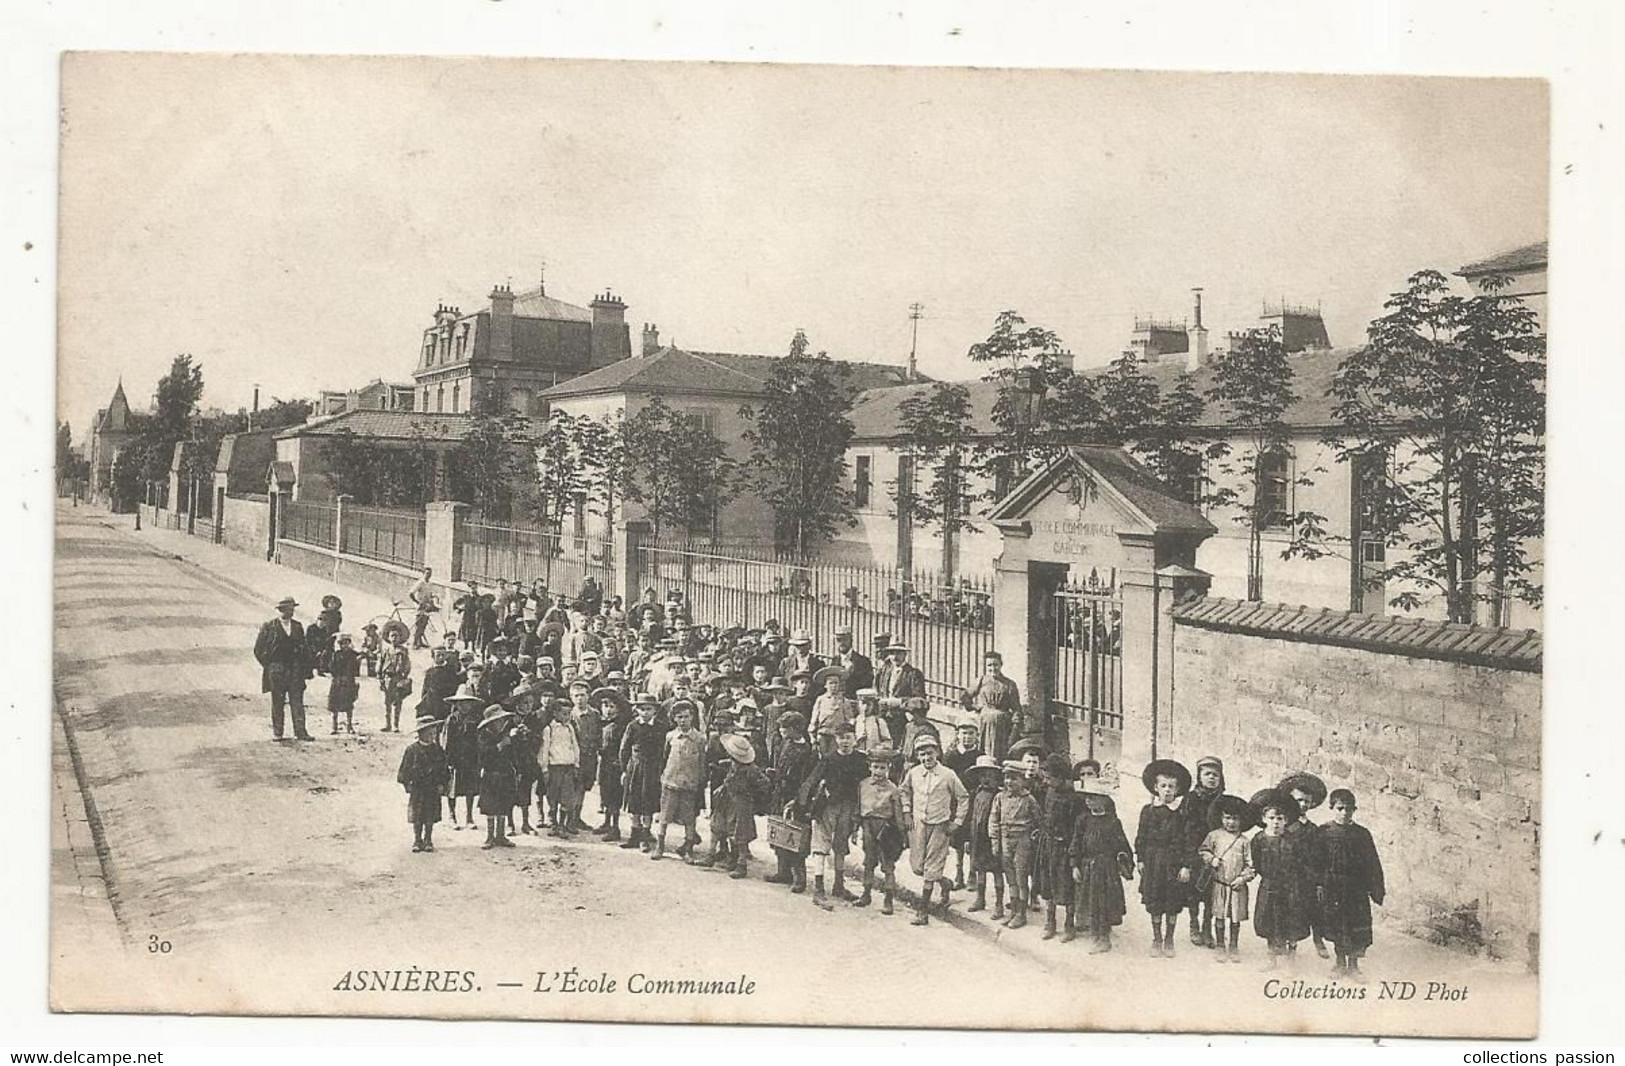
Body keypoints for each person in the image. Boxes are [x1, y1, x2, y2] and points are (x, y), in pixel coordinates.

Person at [899, 733, 970, 927]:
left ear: (937, 752)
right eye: (921, 754)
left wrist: (957, 822)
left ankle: (923, 910)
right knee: (918, 867)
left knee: (931, 867)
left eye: (929, 753)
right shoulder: (914, 773)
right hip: (919, 824)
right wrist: (906, 811)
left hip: (940, 826)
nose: (926, 758)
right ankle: (944, 883)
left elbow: (963, 798)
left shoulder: (948, 774)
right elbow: (904, 791)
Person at [799, 723, 868, 910]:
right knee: (821, 846)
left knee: (840, 845)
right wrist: (803, 804)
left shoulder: (861, 761)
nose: (845, 741)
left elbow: (866, 786)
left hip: (849, 807)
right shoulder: (828, 759)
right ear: (836, 740)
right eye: (841, 737)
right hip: (827, 807)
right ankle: (819, 889)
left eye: (848, 737)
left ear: (855, 739)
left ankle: (839, 885)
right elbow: (811, 781)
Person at [1318, 789, 1385, 980]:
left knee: (1356, 926)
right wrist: (1319, 884)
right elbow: (1316, 860)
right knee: (1337, 925)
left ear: (1354, 810)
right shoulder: (1324, 832)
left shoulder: (1362, 834)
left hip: (1356, 889)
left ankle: (1354, 966)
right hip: (1333, 888)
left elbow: (1372, 862)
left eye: (1349, 809)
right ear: (1332, 808)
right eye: (1340, 808)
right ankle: (1340, 963)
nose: (1344, 813)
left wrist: (1376, 888)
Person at [1136, 758, 1197, 958]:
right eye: (1163, 786)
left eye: (1172, 786)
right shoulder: (1148, 811)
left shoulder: (1182, 813)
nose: (1168, 790)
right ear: (1155, 787)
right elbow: (1141, 837)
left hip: (1173, 863)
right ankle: (1156, 937)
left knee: (1172, 901)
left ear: (1178, 789)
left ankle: (1169, 938)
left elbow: (1189, 841)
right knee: (1155, 900)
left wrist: (1186, 866)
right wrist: (1141, 859)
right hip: (1153, 862)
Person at [1250, 789, 1314, 967]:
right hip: (1269, 886)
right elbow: (1255, 862)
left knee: (1291, 923)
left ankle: (1290, 961)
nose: (1276, 822)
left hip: (1290, 887)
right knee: (1269, 921)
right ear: (1264, 819)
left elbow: (1302, 862)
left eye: (1280, 819)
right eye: (1272, 818)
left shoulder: (1293, 840)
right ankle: (1271, 960)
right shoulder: (1259, 839)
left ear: (1286, 821)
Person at [1069, 783, 1135, 953]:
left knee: (1104, 903)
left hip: (1107, 870)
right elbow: (1076, 844)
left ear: (1104, 800)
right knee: (1089, 901)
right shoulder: (1082, 820)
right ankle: (1094, 935)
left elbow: (1123, 846)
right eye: (1087, 798)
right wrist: (1075, 865)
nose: (1088, 801)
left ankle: (1104, 937)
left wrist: (1123, 859)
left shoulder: (1113, 822)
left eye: (1092, 798)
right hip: (1087, 868)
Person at [1200, 794, 1259, 964]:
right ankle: (1220, 945)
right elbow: (1203, 850)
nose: (1230, 822)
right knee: (1219, 915)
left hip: (1237, 887)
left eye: (1235, 819)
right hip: (1219, 885)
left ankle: (1233, 945)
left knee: (1235, 918)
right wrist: (1212, 859)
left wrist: (1243, 878)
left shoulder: (1244, 842)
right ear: (1221, 818)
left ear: (1241, 820)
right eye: (1227, 818)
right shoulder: (1214, 836)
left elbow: (1251, 865)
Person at [1279, 771, 1332, 959]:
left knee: (1313, 909)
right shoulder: (1282, 826)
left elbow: (1318, 858)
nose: (1302, 805)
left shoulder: (1312, 829)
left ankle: (1317, 939)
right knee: (1287, 911)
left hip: (1307, 878)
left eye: (1306, 802)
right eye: (1299, 800)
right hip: (1287, 878)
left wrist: (1318, 881)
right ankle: (1285, 947)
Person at [765, 710, 816, 894]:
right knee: (779, 832)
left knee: (795, 837)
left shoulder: (807, 752)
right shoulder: (784, 743)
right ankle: (782, 872)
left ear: (796, 729)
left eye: (784, 728)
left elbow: (806, 781)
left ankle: (799, 877)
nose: (781, 731)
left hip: (795, 799)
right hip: (780, 794)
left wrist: (796, 800)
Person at [254, 596, 315, 741]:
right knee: (278, 701)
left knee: (297, 701)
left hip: (295, 670)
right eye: (289, 609)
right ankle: (278, 732)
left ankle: (300, 732)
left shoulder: (298, 626)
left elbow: (303, 649)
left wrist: (304, 668)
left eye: (293, 608)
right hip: (277, 670)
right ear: (281, 610)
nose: (292, 611)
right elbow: (258, 649)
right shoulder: (269, 626)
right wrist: (270, 666)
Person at [854, 745, 907, 915]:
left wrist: (902, 834)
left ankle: (888, 899)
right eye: (875, 767)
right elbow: (858, 807)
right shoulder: (863, 785)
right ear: (870, 766)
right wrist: (855, 829)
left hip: (885, 829)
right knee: (869, 862)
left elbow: (898, 814)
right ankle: (866, 894)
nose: (878, 771)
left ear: (888, 769)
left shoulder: (893, 789)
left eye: (882, 767)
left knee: (887, 865)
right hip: (867, 826)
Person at [1035, 753, 1082, 942]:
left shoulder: (1074, 798)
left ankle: (1069, 924)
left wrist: (1072, 851)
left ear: (1061, 777)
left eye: (1049, 778)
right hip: (1048, 845)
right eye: (1045, 777)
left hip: (1065, 848)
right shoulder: (1049, 792)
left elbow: (1077, 828)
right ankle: (1050, 922)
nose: (1046, 782)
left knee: (1067, 887)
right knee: (1047, 884)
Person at [1184, 756, 1228, 948]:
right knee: (1194, 890)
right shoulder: (1191, 798)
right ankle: (1194, 924)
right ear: (1199, 776)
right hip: (1194, 849)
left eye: (1215, 775)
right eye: (1207, 774)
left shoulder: (1223, 800)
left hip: (1215, 851)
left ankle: (1207, 928)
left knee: (1212, 891)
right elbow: (1184, 826)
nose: (1211, 778)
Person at [989, 761, 1039, 930]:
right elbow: (994, 820)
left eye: (1014, 778)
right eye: (1007, 778)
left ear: (1023, 780)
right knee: (1010, 878)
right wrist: (995, 842)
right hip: (1005, 839)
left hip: (1022, 841)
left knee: (1021, 877)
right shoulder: (999, 798)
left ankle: (1021, 914)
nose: (1010, 782)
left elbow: (1038, 821)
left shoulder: (1029, 799)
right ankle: (1014, 910)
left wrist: (1031, 839)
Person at [713, 733, 770, 880]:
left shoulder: (751, 770)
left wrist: (751, 795)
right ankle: (732, 858)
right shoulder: (733, 764)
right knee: (727, 827)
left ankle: (741, 864)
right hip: (729, 799)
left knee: (741, 833)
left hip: (742, 803)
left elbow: (764, 784)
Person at [655, 702, 706, 862]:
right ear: (674, 719)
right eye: (679, 717)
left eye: (686, 717)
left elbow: (702, 763)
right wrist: (664, 777)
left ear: (692, 717)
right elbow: (664, 758)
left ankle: (688, 849)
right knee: (665, 816)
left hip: (690, 784)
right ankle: (660, 846)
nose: (683, 720)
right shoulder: (670, 736)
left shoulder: (699, 739)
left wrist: (699, 782)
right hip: (671, 782)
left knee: (689, 818)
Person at [618, 694, 666, 851]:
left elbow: (663, 751)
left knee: (648, 800)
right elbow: (624, 749)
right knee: (634, 799)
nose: (645, 713)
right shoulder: (632, 726)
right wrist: (624, 769)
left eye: (649, 709)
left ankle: (645, 835)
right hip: (636, 767)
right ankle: (634, 834)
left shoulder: (660, 727)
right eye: (642, 709)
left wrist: (662, 770)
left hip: (652, 769)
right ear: (636, 710)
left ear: (655, 710)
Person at [397, 715, 449, 854]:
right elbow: (404, 770)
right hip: (418, 788)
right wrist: (406, 784)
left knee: (430, 814)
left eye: (434, 733)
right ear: (421, 734)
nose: (432, 736)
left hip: (432, 787)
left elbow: (444, 769)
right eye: (429, 733)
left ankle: (428, 839)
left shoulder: (438, 750)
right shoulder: (412, 750)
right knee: (417, 815)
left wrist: (442, 784)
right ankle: (417, 839)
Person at [962, 754, 1005, 919]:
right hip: (977, 838)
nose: (986, 779)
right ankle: (980, 899)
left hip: (992, 838)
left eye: (989, 775)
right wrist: (967, 838)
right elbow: (969, 817)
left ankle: (999, 904)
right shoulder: (976, 793)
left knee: (996, 871)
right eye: (982, 775)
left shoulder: (999, 796)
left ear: (996, 776)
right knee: (979, 868)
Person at [942, 721, 984, 890]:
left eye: (971, 733)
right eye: (964, 733)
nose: (967, 737)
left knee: (973, 836)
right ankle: (958, 872)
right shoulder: (950, 756)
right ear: (957, 735)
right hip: (956, 802)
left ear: (976, 736)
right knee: (957, 837)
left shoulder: (980, 756)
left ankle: (972, 873)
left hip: (973, 801)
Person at [958, 651, 1021, 760]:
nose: (993, 668)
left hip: (1003, 725)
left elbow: (1017, 709)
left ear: (1001, 665)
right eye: (989, 665)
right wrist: (976, 708)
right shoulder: (982, 681)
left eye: (995, 664)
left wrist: (1014, 730)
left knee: (1001, 754)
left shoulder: (1009, 684)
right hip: (984, 722)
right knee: (983, 751)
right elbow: (965, 697)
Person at [537, 696, 582, 838]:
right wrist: (544, 769)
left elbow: (575, 746)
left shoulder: (569, 728)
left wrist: (576, 764)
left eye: (569, 713)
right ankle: (554, 824)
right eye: (564, 713)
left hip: (568, 767)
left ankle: (563, 825)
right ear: (555, 713)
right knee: (553, 796)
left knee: (566, 796)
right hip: (554, 768)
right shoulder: (549, 729)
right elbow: (544, 750)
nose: (567, 716)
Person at [476, 705, 520, 849]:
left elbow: (514, 755)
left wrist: (516, 739)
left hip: (506, 775)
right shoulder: (484, 736)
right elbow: (484, 757)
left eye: (503, 720)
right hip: (491, 776)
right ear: (491, 723)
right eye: (498, 721)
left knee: (503, 805)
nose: (502, 723)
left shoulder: (506, 734)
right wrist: (500, 746)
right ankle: (490, 837)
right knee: (490, 807)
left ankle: (501, 836)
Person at [594, 688, 634, 842]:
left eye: (611, 706)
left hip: (615, 765)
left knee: (614, 796)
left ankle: (615, 827)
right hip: (604, 763)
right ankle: (606, 822)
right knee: (604, 793)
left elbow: (624, 747)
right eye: (605, 706)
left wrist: (621, 763)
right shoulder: (603, 723)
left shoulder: (622, 725)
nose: (608, 710)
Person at [441, 685, 484, 829]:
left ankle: (469, 817)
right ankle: (452, 815)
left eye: (468, 703)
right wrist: (448, 760)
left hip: (470, 758)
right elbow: (446, 742)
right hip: (456, 758)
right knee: (452, 788)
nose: (466, 706)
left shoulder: (475, 720)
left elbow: (479, 740)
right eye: (463, 703)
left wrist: (479, 758)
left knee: (470, 788)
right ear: (457, 704)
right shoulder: (451, 720)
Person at [808, 666, 852, 756]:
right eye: (831, 683)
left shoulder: (844, 701)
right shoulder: (820, 700)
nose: (834, 686)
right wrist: (813, 737)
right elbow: (814, 720)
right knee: (823, 758)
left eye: (836, 683)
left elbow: (849, 720)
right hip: (823, 735)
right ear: (825, 685)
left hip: (837, 736)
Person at [378, 626, 413, 733]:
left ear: (400, 638)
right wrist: (380, 677)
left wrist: (404, 677)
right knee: (387, 702)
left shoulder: (404, 651)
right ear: (388, 638)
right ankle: (387, 724)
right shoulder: (385, 650)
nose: (394, 638)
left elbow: (407, 665)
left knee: (397, 702)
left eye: (396, 636)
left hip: (398, 678)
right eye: (392, 636)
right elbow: (380, 663)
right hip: (388, 678)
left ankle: (395, 725)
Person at [327, 632, 361, 735]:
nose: (344, 645)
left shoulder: (354, 654)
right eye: (342, 643)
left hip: (349, 682)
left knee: (349, 705)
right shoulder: (336, 655)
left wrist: (358, 661)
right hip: (337, 682)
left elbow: (356, 670)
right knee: (334, 705)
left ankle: (349, 726)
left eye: (346, 643)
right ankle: (334, 726)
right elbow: (331, 668)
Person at [830, 626, 874, 697]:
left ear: (851, 640)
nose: (842, 643)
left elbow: (867, 685)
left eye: (845, 639)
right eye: (839, 640)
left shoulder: (863, 662)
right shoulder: (834, 661)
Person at [407, 566, 437, 649]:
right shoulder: (420, 583)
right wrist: (417, 603)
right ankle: (414, 643)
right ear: (423, 574)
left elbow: (430, 595)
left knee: (424, 624)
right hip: (420, 607)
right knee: (419, 624)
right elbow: (411, 593)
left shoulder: (430, 584)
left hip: (426, 607)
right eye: (427, 573)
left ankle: (420, 641)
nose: (428, 575)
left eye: (430, 574)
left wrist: (433, 601)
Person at [453, 581, 482, 648]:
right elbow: (456, 604)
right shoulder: (465, 597)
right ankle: (466, 646)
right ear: (469, 589)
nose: (473, 590)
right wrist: (459, 609)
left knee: (474, 631)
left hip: (475, 617)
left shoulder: (479, 598)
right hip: (467, 616)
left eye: (475, 588)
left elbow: (481, 607)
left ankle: (473, 647)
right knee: (466, 631)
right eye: (472, 588)